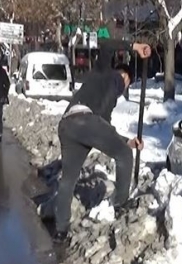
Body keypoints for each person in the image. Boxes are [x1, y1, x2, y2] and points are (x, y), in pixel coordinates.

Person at [53, 40, 151, 245]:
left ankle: (60, 230)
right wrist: (135, 47)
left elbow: (105, 128)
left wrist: (127, 141)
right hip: (84, 120)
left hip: (67, 125)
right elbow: (107, 45)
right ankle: (119, 204)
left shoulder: (108, 99)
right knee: (124, 155)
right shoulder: (104, 71)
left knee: (68, 180)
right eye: (126, 82)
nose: (124, 87)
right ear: (124, 76)